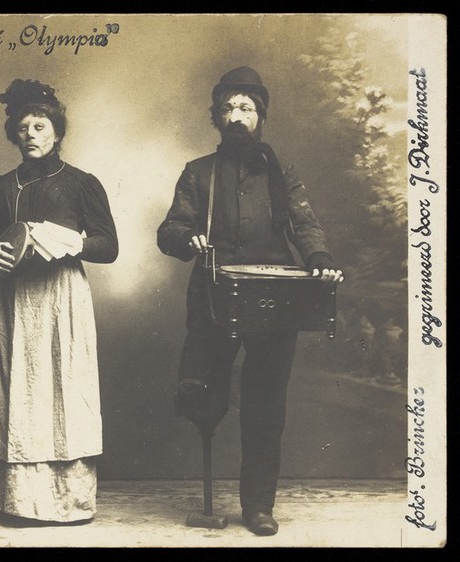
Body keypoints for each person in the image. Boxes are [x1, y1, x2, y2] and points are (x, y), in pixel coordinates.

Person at [156, 66, 343, 536]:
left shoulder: (282, 172)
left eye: (247, 108)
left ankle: (258, 507)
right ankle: (203, 457)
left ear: (260, 117)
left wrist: (318, 257)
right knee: (204, 390)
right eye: (228, 108)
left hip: (273, 300)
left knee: (265, 406)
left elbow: (305, 224)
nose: (237, 117)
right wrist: (188, 238)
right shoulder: (198, 172)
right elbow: (169, 229)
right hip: (214, 297)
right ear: (216, 118)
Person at [0, 79, 118, 525]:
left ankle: (63, 503)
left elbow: (109, 246)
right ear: (13, 134)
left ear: (57, 132)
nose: (31, 133)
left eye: (40, 125)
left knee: (59, 390)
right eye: (23, 127)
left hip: (59, 299)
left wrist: (73, 242)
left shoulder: (82, 184)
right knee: (5, 389)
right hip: (10, 299)